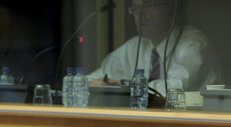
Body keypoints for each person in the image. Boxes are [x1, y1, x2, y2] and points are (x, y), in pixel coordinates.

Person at [87, 0, 220, 96]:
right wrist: (91, 85)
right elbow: (94, 79)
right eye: (135, 8)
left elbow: (171, 89)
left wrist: (122, 89)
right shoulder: (134, 46)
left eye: (148, 6)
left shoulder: (194, 44)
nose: (140, 14)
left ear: (170, 9)